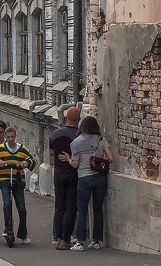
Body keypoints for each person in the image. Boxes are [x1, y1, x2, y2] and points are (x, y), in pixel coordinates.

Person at [65, 115, 114, 251]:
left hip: (84, 178)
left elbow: (75, 165)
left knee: (82, 210)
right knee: (98, 209)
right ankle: (96, 241)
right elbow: (111, 158)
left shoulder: (76, 142)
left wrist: (68, 159)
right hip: (100, 178)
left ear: (82, 127)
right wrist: (98, 162)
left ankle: (80, 242)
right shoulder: (101, 139)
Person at [0, 126, 37, 246]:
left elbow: (33, 159)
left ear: (16, 136)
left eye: (12, 137)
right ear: (5, 137)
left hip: (18, 181)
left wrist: (26, 163)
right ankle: (7, 229)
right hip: (4, 180)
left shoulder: (22, 149)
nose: (10, 139)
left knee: (22, 208)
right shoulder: (1, 149)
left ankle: (23, 234)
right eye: (8, 137)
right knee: (7, 205)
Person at [49, 106, 81, 249]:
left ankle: (56, 236)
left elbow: (51, 152)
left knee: (59, 206)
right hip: (73, 173)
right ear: (79, 119)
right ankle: (65, 239)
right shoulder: (79, 136)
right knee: (70, 207)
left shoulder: (55, 133)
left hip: (58, 173)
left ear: (66, 117)